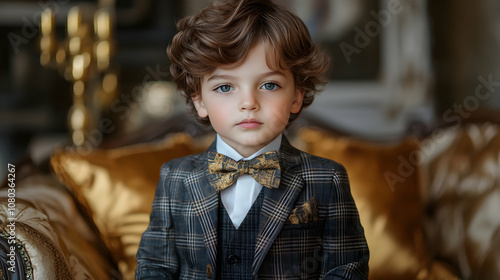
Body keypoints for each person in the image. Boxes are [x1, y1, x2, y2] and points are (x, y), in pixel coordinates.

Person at [136, 0, 369, 279]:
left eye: (269, 85)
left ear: (296, 95)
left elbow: (346, 270)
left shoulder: (327, 179)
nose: (248, 103)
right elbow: (154, 267)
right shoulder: (174, 178)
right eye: (225, 87)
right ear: (199, 101)